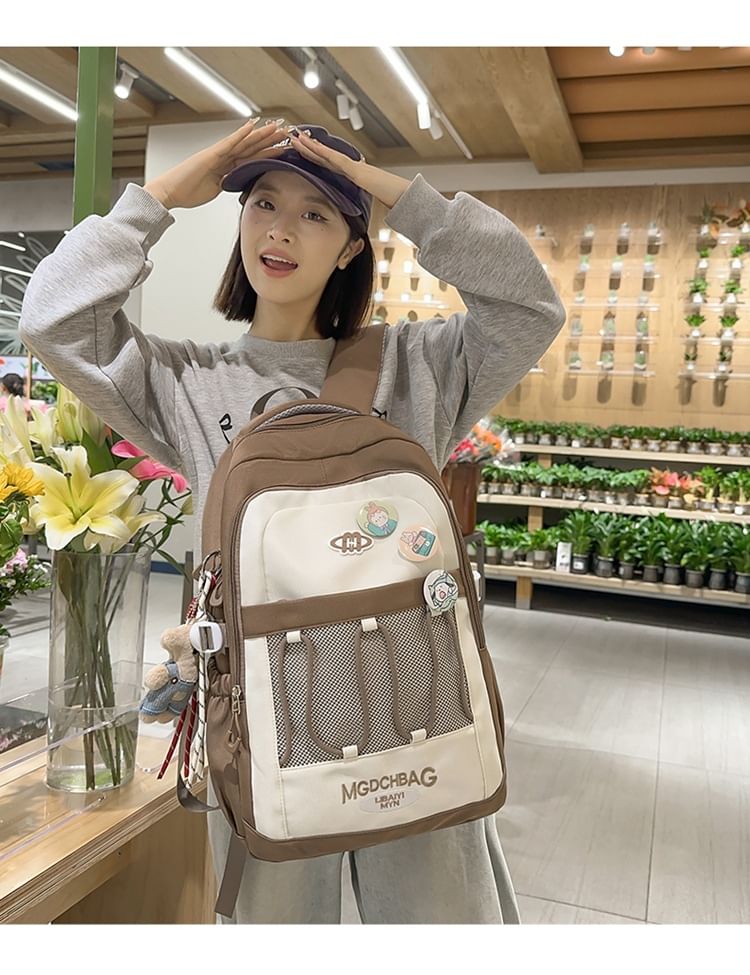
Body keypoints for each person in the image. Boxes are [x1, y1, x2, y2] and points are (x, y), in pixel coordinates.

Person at [19, 117, 566, 924]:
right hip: (264, 723)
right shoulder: (187, 379)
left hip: (414, 713)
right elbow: (51, 318)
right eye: (263, 203)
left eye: (316, 213)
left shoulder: (419, 363)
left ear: (351, 247)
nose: (280, 229)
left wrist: (397, 196)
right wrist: (162, 196)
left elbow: (529, 304)